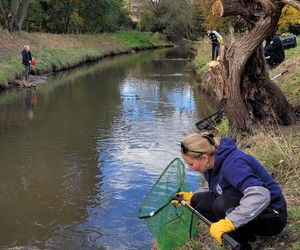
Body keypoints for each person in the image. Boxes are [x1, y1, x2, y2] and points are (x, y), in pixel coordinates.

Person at [172, 132, 287, 250]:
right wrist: (190, 197)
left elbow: (261, 195)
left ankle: (242, 245)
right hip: (253, 210)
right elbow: (216, 187)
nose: (190, 168)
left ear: (204, 158)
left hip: (273, 216)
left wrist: (230, 222)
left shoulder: (234, 163)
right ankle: (245, 232)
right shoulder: (211, 164)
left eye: (191, 164)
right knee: (197, 201)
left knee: (221, 204)